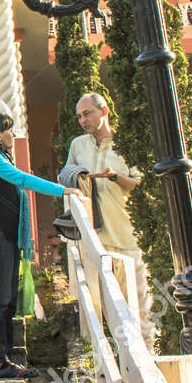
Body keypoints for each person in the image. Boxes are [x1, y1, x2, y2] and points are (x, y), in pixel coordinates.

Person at [0, 107, 66, 378]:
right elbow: (22, 179)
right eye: (9, 129)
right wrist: (62, 189)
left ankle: (6, 357)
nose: (13, 133)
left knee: (7, 297)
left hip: (6, 235)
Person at [59, 92, 153, 348]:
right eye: (79, 116)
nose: (82, 120)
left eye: (87, 113)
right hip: (94, 240)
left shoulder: (126, 144)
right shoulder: (78, 145)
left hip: (126, 235)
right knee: (104, 310)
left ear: (104, 111)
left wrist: (114, 177)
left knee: (138, 307)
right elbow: (67, 177)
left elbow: (139, 183)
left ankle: (149, 362)